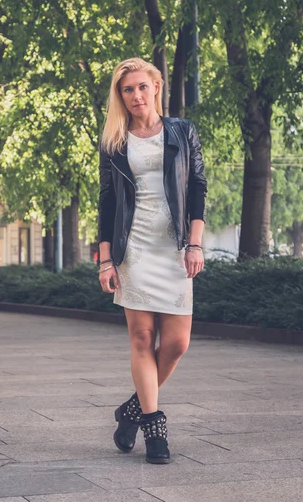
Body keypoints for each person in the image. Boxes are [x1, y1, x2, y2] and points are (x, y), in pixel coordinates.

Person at [98, 57, 207, 464]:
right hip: (135, 249)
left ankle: (130, 411)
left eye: (142, 87)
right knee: (143, 339)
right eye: (128, 90)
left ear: (156, 87)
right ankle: (154, 428)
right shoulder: (114, 139)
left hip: (175, 248)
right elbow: (107, 203)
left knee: (176, 344)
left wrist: (195, 244)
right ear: (120, 96)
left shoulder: (182, 131)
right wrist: (106, 261)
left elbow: (197, 187)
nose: (136, 95)